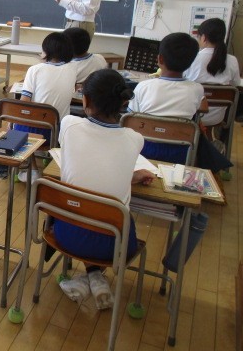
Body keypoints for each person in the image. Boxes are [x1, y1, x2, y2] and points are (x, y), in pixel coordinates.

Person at [55, 68, 156, 309]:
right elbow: (109, 165)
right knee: (107, 217)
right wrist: (133, 176)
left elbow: (91, 162)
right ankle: (94, 276)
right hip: (114, 246)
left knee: (86, 209)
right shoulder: (134, 138)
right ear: (123, 103)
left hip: (66, 234)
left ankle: (89, 277)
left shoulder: (69, 125)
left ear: (85, 100)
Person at [127, 32, 230, 172]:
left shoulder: (143, 86)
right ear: (191, 62)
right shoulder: (197, 89)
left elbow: (131, 119)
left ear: (160, 59)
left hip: (143, 150)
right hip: (181, 154)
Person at [184, 18, 240, 127]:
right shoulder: (232, 60)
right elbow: (236, 85)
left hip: (191, 117)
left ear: (204, 37)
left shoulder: (192, 58)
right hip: (217, 118)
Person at [19, 32, 77, 128]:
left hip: (37, 125)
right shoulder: (73, 69)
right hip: (60, 127)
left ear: (46, 51)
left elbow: (24, 102)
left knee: (13, 119)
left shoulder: (35, 69)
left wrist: (12, 121)